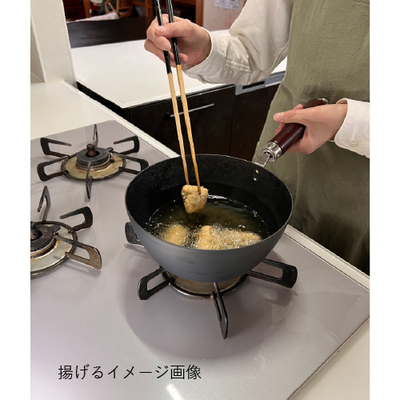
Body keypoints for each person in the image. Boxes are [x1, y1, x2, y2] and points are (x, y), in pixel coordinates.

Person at [145, 0, 370, 274]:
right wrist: (205, 50)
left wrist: (349, 122)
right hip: (284, 149)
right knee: (272, 239)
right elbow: (251, 51)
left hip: (365, 192)